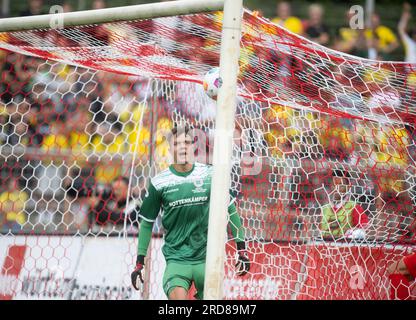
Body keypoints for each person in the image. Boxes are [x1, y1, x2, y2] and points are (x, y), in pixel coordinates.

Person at [131, 125, 250, 300]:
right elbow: (147, 223)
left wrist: (242, 250)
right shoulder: (160, 183)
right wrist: (139, 263)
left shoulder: (210, 174)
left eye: (186, 142)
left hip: (208, 260)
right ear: (170, 149)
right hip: (177, 261)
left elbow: (230, 210)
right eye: (177, 143)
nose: (183, 147)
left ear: (193, 146)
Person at [320, 169, 369, 240]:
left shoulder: (354, 207)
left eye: (340, 184)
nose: (336, 188)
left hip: (345, 249)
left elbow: (364, 230)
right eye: (334, 184)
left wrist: (353, 233)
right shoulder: (325, 209)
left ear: (348, 186)